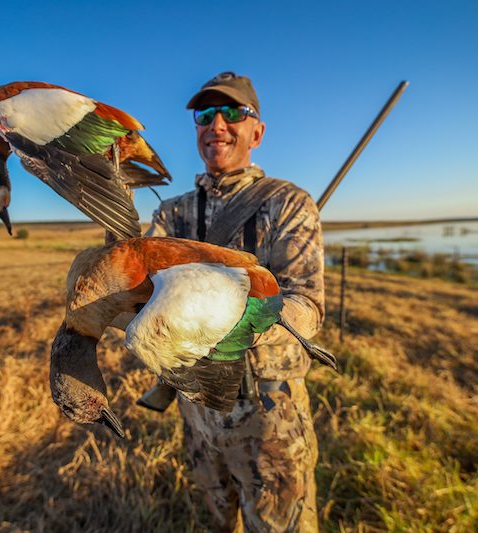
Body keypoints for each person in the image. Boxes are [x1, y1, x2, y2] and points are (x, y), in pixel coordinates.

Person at [145, 72, 325, 532]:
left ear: (256, 132)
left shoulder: (287, 204)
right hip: (197, 407)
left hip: (267, 415)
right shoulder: (173, 213)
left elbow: (307, 306)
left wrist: (247, 314)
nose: (217, 124)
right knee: (217, 521)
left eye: (233, 113)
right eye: (205, 115)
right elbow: (135, 282)